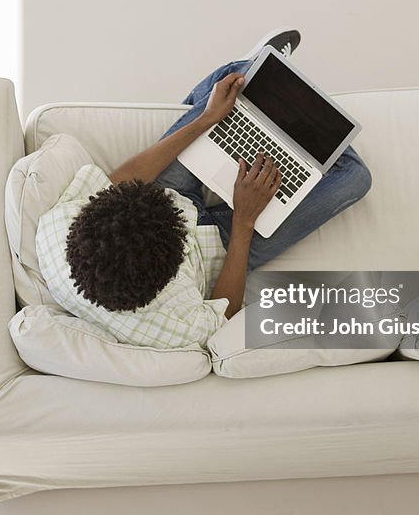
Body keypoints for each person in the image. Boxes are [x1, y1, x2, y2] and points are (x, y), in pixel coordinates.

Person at [35, 29, 372, 350]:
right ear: (169, 276)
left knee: (240, 78)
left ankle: (228, 95)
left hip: (170, 198)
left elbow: (120, 182)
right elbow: (222, 313)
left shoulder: (58, 225)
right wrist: (244, 221)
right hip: (227, 245)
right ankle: (278, 119)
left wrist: (207, 120)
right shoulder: (173, 329)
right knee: (354, 177)